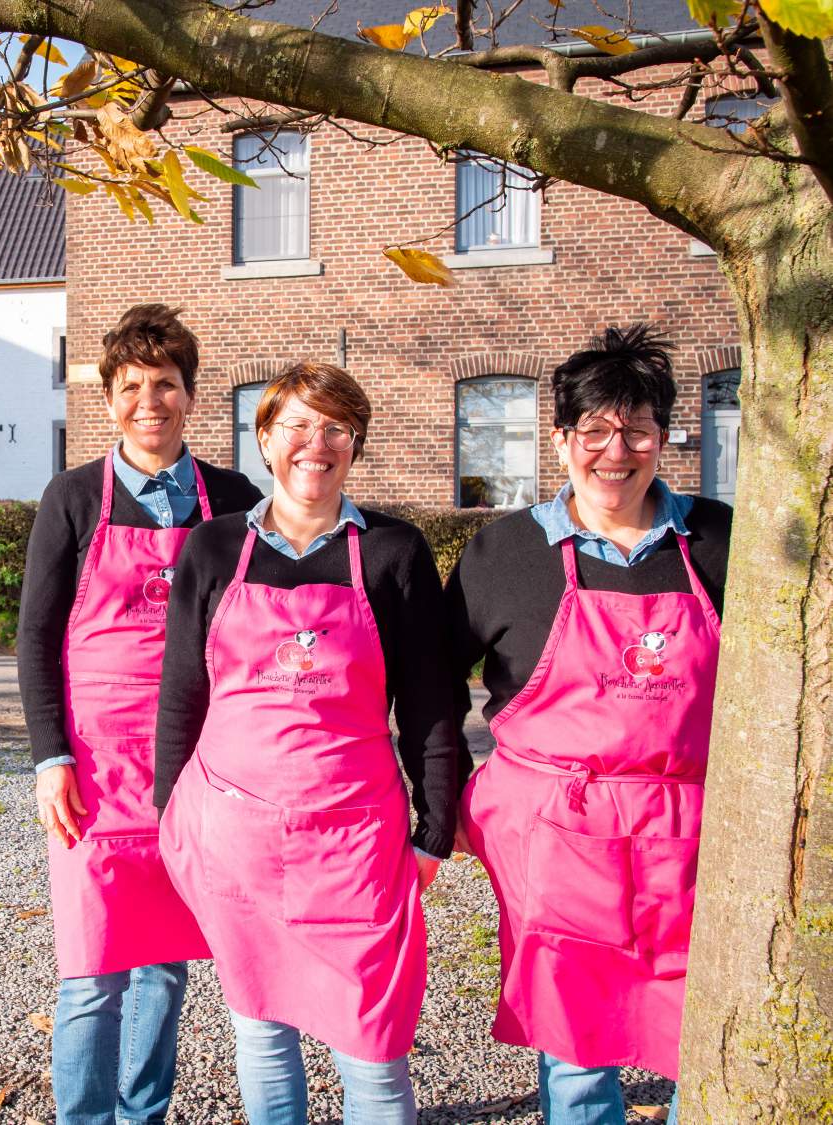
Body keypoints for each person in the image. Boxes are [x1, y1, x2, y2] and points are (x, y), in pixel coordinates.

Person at [155, 361, 463, 1125]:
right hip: (236, 837)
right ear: (265, 437)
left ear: (355, 443)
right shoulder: (214, 549)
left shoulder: (394, 552)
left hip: (356, 842)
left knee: (374, 1048)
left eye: (335, 427)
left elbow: (431, 702)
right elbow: (181, 695)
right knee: (261, 1032)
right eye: (296, 424)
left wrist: (435, 825)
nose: (314, 443)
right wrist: (170, 813)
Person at [447, 325, 733, 1125]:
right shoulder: (504, 553)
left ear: (665, 435)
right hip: (556, 839)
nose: (617, 451)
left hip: (694, 835)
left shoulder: (721, 541)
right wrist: (447, 800)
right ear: (562, 438)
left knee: (699, 1033)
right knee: (577, 1048)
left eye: (637, 428)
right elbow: (430, 687)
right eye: (596, 431)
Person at [17, 304, 263, 1125]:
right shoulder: (73, 496)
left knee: (165, 964)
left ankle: (143, 1113)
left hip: (198, 760)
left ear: (191, 396)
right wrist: (50, 756)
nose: (148, 401)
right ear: (109, 398)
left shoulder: (231, 499)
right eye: (130, 386)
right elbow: (36, 639)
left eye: (165, 384)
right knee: (91, 972)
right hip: (96, 767)